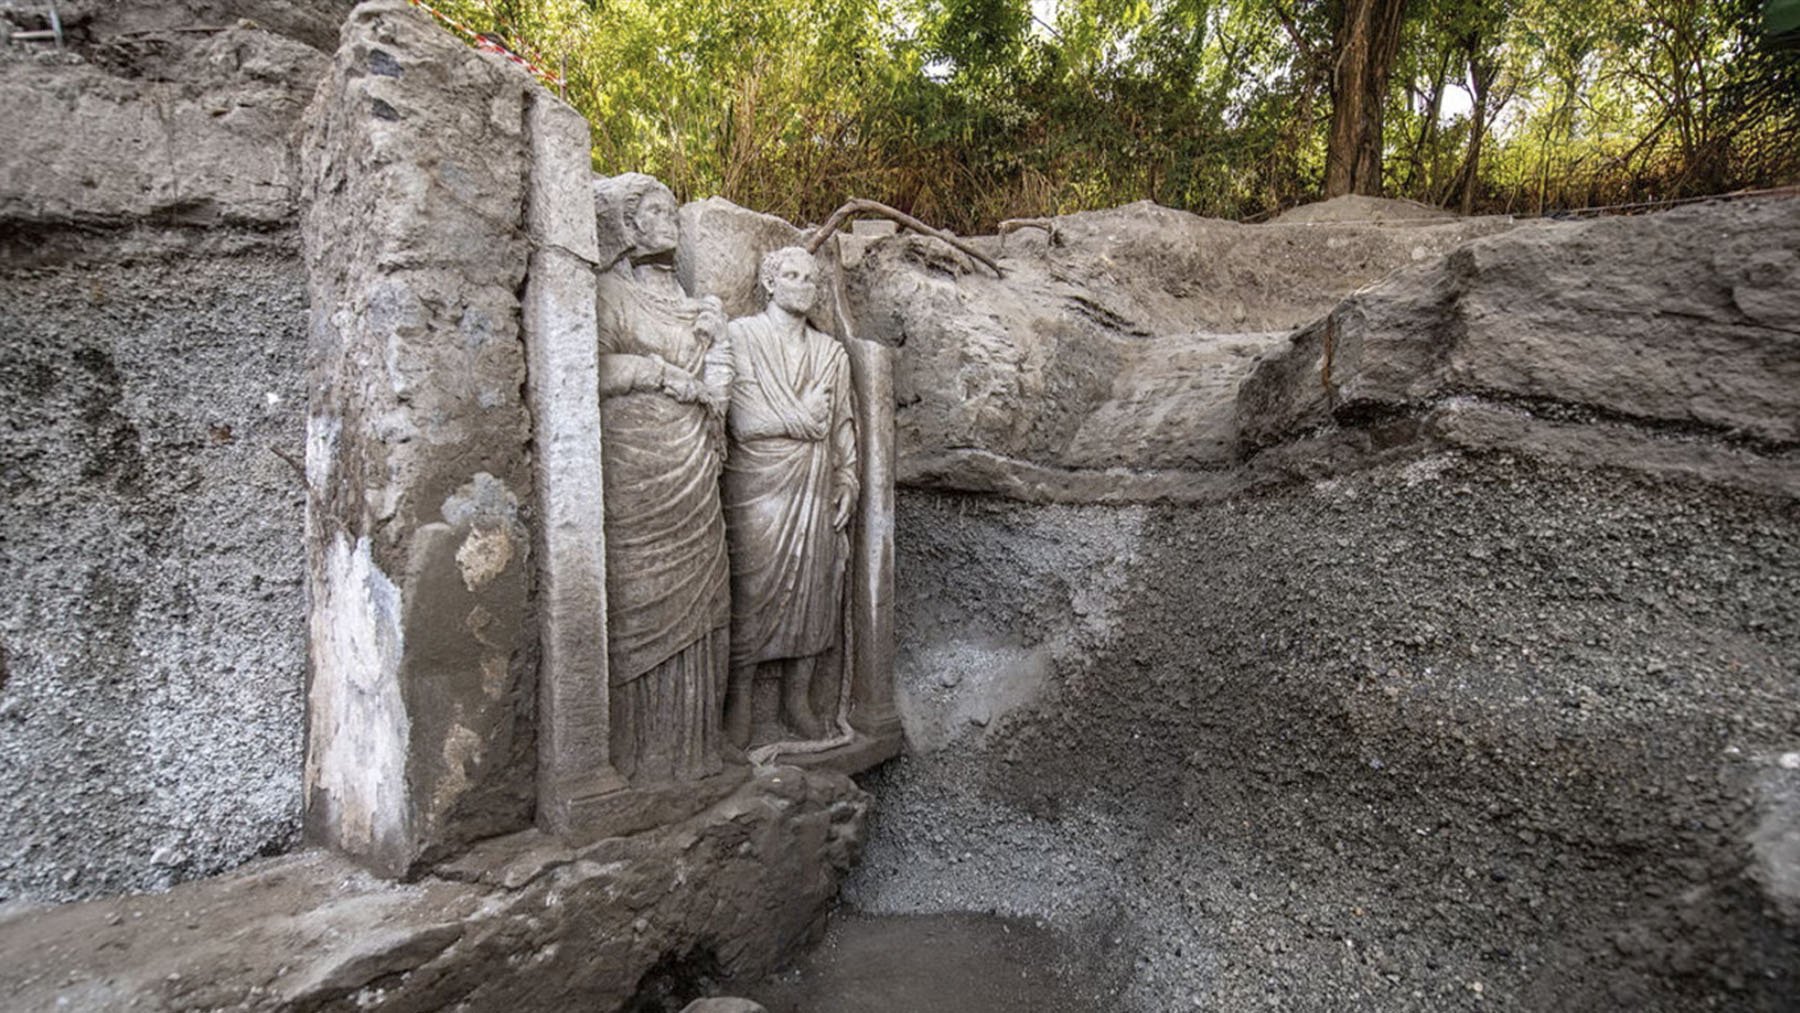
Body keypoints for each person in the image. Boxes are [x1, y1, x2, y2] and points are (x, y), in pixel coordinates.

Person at [592, 174, 733, 782]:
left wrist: (717, 343)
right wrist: (656, 371)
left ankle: (695, 752)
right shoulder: (608, 295)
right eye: (655, 209)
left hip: (696, 463)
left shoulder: (695, 305)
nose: (669, 218)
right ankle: (639, 755)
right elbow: (591, 368)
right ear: (628, 225)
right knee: (643, 596)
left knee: (703, 599)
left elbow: (722, 384)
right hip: (637, 462)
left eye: (674, 209)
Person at [722, 246, 858, 748]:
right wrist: (802, 420)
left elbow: (841, 424)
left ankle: (796, 700)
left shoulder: (831, 354)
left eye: (811, 277)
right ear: (770, 283)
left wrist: (848, 479)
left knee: (816, 587)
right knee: (750, 588)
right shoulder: (741, 336)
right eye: (792, 275)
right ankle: (739, 700)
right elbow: (745, 422)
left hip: (815, 484)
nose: (804, 284)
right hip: (757, 486)